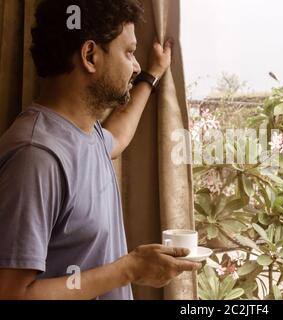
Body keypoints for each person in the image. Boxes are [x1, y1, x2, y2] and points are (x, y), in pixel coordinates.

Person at [0, 0, 200, 300]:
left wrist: (151, 76)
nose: (135, 66)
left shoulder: (83, 132)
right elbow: (13, 295)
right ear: (90, 55)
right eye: (130, 53)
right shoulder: (36, 158)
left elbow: (116, 139)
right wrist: (127, 270)